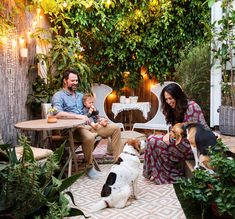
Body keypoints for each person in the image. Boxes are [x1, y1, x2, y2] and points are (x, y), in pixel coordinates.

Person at [52, 69, 123, 179]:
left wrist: (100, 120)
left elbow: (92, 111)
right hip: (73, 129)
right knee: (89, 137)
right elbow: (56, 113)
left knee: (115, 128)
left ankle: (118, 163)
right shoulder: (59, 96)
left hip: (89, 124)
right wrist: (78, 116)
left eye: (76, 80)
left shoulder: (81, 96)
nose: (75, 82)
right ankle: (89, 167)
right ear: (65, 81)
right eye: (72, 80)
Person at [143, 83, 209, 184]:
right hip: (181, 142)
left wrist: (171, 137)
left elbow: (194, 134)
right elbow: (174, 129)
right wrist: (170, 135)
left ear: (178, 96)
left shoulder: (191, 107)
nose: (168, 101)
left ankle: (163, 174)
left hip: (195, 147)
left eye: (171, 98)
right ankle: (151, 172)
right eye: (166, 99)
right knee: (151, 139)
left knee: (153, 140)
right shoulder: (173, 108)